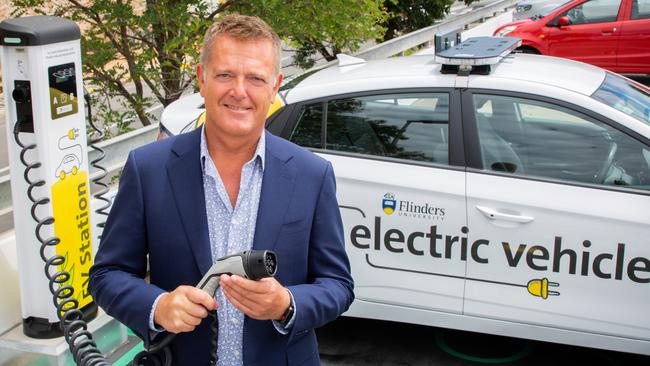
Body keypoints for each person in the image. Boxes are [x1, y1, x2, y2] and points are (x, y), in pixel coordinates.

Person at [89, 14, 354, 366]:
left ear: (274, 87)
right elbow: (107, 275)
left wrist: (286, 304)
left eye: (255, 78)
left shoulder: (312, 174)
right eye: (225, 74)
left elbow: (338, 284)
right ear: (202, 79)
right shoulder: (148, 168)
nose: (239, 91)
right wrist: (158, 306)